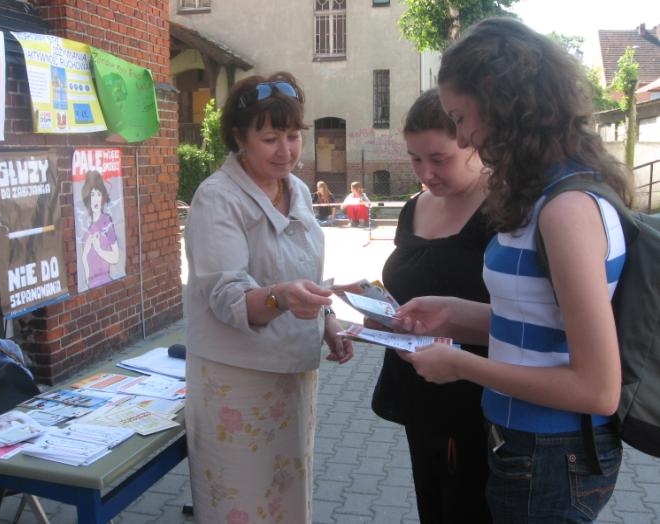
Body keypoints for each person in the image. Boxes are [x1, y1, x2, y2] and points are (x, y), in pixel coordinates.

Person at [396, 18, 631, 523]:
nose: (463, 136)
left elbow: (597, 388)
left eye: (461, 118)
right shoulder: (541, 192)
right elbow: (543, 326)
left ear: (500, 102)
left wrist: (460, 365)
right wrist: (451, 314)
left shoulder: (565, 209)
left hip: (551, 451)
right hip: (526, 446)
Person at [183, 71, 354, 524]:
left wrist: (327, 320)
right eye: (270, 138)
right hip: (239, 382)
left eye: (294, 136)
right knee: (242, 503)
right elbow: (226, 295)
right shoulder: (218, 199)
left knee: (288, 496)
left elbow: (305, 272)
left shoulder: (294, 189)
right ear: (239, 138)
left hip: (293, 374)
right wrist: (280, 297)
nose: (286, 151)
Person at [369, 89, 493, 523]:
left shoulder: (505, 210)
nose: (426, 174)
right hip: (418, 394)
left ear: (472, 140)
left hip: (477, 402)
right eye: (415, 159)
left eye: (439, 159)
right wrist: (378, 310)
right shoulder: (414, 208)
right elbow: (413, 283)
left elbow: (530, 318)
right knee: (433, 507)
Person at [81, 170, 119, 289]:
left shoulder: (106, 222)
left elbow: (115, 257)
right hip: (90, 287)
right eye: (92, 194)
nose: (96, 199)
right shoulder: (86, 230)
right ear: (88, 198)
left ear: (103, 197)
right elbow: (85, 261)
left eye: (98, 194)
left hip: (105, 283)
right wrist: (84, 256)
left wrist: (99, 250)